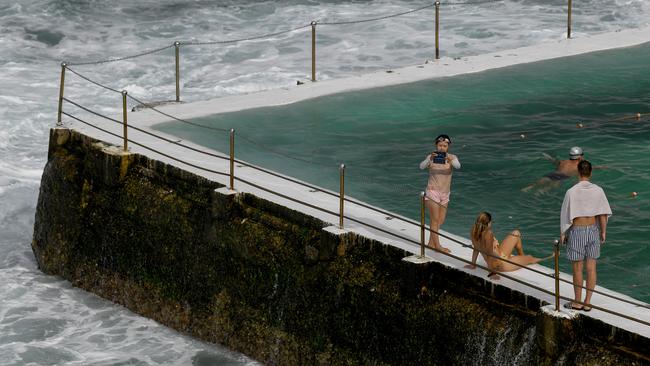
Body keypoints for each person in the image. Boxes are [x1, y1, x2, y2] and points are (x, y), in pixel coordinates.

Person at [560, 160, 612, 311]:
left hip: (577, 230)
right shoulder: (598, 190)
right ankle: (587, 302)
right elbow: (602, 213)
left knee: (577, 269)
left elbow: (565, 215)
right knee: (591, 268)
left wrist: (563, 233)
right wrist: (603, 231)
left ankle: (577, 302)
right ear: (591, 172)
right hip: (593, 230)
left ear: (578, 172)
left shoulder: (571, 191)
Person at [465, 212, 551, 279]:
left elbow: (476, 248)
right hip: (501, 264)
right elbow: (490, 254)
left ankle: (521, 257)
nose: (491, 224)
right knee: (530, 258)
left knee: (516, 233)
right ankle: (550, 257)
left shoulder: (474, 231)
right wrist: (492, 273)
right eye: (491, 222)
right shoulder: (488, 233)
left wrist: (473, 264)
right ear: (487, 223)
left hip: (500, 254)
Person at [419, 134, 460, 253]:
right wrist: (429, 159)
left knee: (441, 220)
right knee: (434, 220)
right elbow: (421, 167)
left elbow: (458, 166)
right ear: (436, 145)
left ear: (448, 146)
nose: (442, 148)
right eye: (440, 145)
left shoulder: (452, 157)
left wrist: (451, 160)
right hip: (432, 192)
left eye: (444, 146)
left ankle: (431, 243)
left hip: (445, 193)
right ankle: (438, 246)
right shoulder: (431, 157)